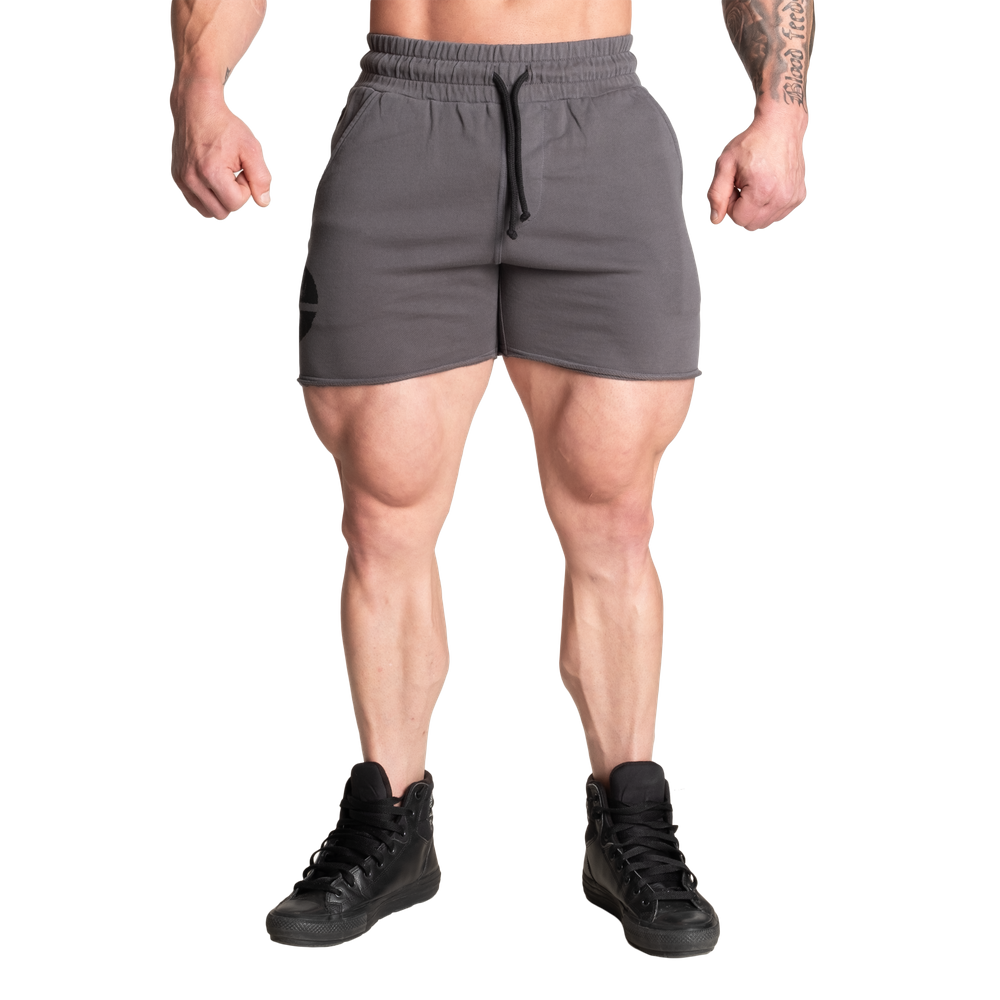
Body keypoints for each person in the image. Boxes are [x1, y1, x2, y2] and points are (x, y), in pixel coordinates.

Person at [169, 0, 814, 959]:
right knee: (382, 508)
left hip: (598, 119)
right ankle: (388, 824)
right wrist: (197, 88)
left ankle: (630, 823)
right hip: (406, 120)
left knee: (614, 512)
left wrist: (783, 106)